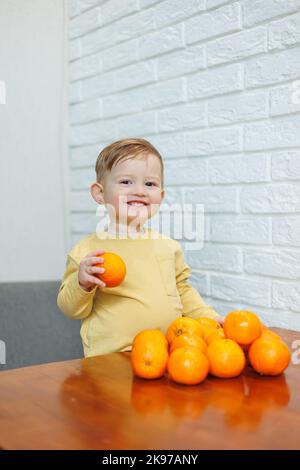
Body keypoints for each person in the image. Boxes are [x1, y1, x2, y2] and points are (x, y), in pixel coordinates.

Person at [57, 138, 222, 357]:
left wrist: (210, 317)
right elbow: (70, 309)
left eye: (150, 184)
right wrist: (82, 283)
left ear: (160, 196)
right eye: (126, 182)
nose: (140, 191)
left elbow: (183, 291)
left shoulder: (168, 247)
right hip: (110, 358)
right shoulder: (87, 251)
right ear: (100, 193)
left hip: (166, 352)